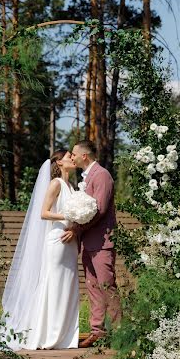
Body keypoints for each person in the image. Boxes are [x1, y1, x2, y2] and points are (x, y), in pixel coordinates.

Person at [2, 150, 79, 350]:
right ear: (59, 163)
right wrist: (66, 216)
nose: (72, 158)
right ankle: (46, 335)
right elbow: (43, 213)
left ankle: (64, 335)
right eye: (69, 156)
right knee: (53, 285)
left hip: (70, 240)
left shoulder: (71, 186)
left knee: (67, 286)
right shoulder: (55, 183)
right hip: (57, 240)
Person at [62, 140, 122, 347]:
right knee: (93, 287)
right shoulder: (86, 178)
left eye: (74, 155)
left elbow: (100, 209)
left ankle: (120, 333)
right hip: (88, 243)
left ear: (84, 156)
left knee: (107, 286)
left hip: (102, 242)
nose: (72, 158)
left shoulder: (102, 175)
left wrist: (76, 229)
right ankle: (98, 331)